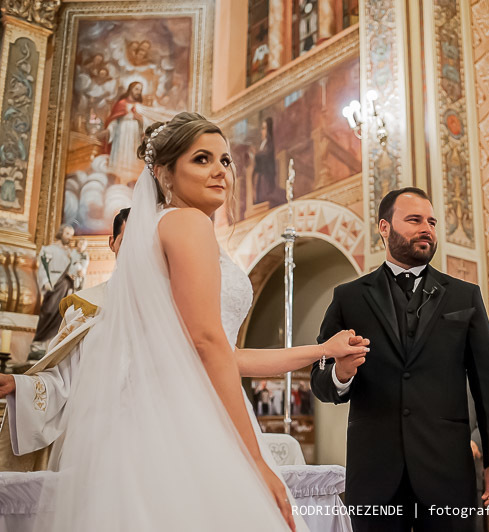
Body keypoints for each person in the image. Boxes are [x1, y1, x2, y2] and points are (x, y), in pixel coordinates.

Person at [33, 112, 369, 532]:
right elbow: (208, 345)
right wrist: (254, 459)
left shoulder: (160, 230)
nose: (220, 172)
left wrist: (322, 350)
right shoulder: (187, 223)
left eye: (226, 161)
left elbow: (226, 354)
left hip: (154, 417)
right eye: (202, 159)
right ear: (164, 173)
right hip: (189, 418)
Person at [311, 187, 489, 531]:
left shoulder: (464, 296)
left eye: (432, 222)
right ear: (385, 227)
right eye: (415, 219)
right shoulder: (349, 298)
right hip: (374, 468)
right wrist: (340, 376)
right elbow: (320, 377)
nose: (427, 229)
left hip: (446, 465)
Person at [0, 208, 130, 472]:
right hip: (89, 440)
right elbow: (62, 382)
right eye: (129, 241)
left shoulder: (175, 311)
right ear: (112, 243)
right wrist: (19, 384)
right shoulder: (85, 307)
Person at [29, 225, 87, 359]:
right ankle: (38, 345)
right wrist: (45, 282)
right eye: (67, 233)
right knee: (48, 311)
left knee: (60, 315)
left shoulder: (71, 253)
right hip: (54, 285)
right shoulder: (49, 249)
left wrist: (77, 273)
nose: (69, 237)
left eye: (71, 234)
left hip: (66, 286)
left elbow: (76, 268)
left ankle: (49, 347)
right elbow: (43, 267)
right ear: (61, 233)